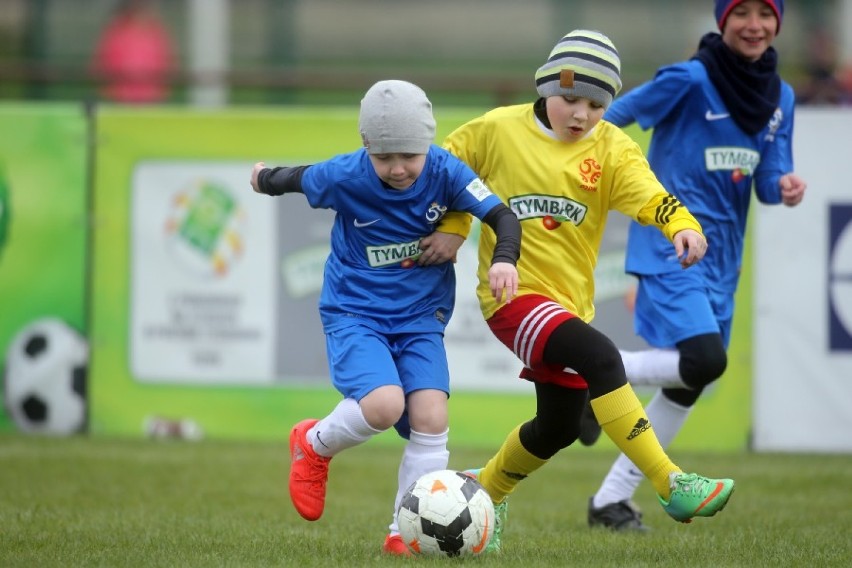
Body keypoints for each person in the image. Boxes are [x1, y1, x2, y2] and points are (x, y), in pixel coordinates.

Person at [425, 29, 736, 554]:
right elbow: (445, 173)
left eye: (596, 104)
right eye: (571, 98)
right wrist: (454, 230)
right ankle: (671, 484)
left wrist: (683, 225)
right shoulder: (498, 129)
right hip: (511, 296)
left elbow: (652, 197)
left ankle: (483, 493)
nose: (581, 114)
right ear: (546, 87)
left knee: (558, 427)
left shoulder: (612, 147)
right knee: (601, 356)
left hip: (568, 304)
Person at [249, 80, 521, 556]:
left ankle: (404, 531)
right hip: (356, 312)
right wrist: (263, 177)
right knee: (384, 405)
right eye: (384, 158)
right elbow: (297, 178)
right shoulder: (346, 176)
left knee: (431, 416)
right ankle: (314, 444)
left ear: (428, 145)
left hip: (420, 317)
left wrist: (505, 259)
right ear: (366, 148)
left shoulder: (447, 171)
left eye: (409, 157)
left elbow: (501, 216)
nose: (397, 169)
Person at [579, 0, 807, 531]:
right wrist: (583, 166)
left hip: (723, 259)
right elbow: (613, 116)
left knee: (688, 382)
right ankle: (596, 375)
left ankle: (609, 502)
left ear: (778, 22)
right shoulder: (688, 79)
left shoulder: (782, 97)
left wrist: (785, 187)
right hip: (669, 246)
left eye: (766, 13)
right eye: (742, 12)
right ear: (721, 20)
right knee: (706, 360)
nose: (755, 25)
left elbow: (771, 177)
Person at [91, 0, 177, 103]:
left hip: (151, 101)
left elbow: (168, 68)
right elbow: (101, 67)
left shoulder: (157, 34)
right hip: (121, 101)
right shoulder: (116, 32)